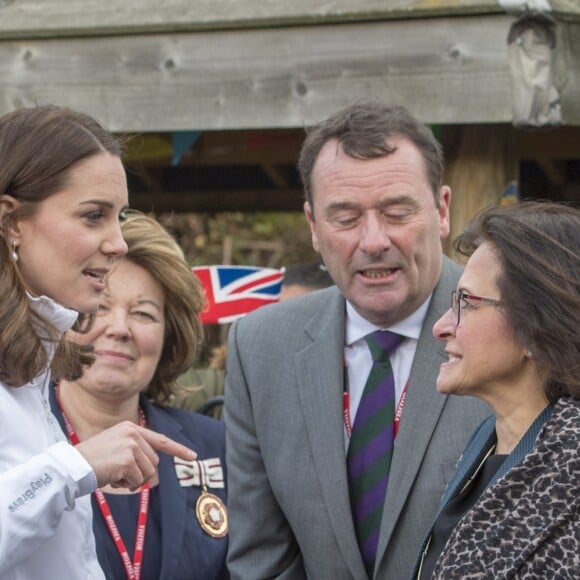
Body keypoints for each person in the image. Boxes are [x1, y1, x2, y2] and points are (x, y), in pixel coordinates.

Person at [224, 101, 490, 580]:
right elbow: (262, 557)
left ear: (442, 210)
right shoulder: (260, 348)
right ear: (312, 226)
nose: (372, 240)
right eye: (345, 217)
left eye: (396, 212)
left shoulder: (514, 330)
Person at [0, 105, 195, 579]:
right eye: (93, 216)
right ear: (11, 222)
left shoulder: (30, 371)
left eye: (119, 217)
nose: (118, 242)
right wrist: (74, 467)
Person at [50, 210, 229, 579]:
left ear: (169, 337)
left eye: (143, 314)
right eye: (100, 307)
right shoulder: (16, 440)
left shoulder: (217, 448)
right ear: (62, 318)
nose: (119, 328)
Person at [412, 201, 580, 579]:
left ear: (536, 329)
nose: (441, 326)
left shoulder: (569, 473)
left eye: (467, 303)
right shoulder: (487, 442)